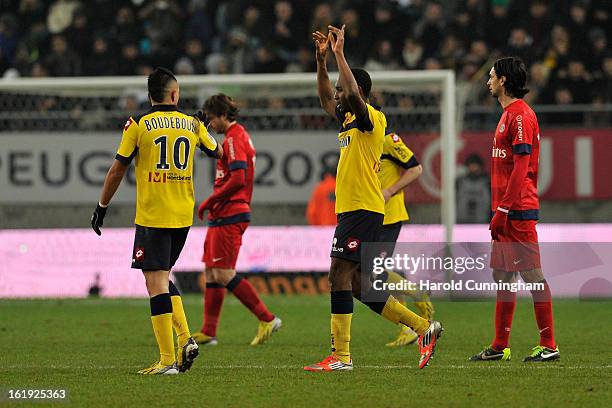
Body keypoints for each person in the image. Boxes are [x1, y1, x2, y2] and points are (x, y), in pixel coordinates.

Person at [304, 25, 442, 372]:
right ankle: (424, 328)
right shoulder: (348, 121)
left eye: (342, 90)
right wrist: (321, 62)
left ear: (359, 92)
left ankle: (341, 356)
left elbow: (348, 91)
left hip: (363, 208)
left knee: (338, 275)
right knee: (360, 286)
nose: (336, 95)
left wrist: (339, 54)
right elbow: (323, 99)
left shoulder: (372, 120)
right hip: (355, 209)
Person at [90, 67, 222, 375]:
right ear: (175, 95)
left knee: (155, 283)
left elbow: (117, 170)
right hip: (182, 215)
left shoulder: (138, 125)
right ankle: (185, 339)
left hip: (153, 214)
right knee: (161, 279)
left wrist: (102, 206)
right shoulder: (191, 123)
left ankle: (167, 360)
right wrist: (201, 127)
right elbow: (216, 151)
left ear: (150, 95)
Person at [471, 57, 559, 363]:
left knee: (532, 275)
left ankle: (549, 344)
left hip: (517, 210)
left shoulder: (520, 115)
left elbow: (523, 164)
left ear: (505, 80)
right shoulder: (507, 114)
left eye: (492, 76)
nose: (488, 81)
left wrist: (505, 209)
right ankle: (499, 345)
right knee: (502, 275)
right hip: (506, 210)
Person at [192, 94, 281, 347]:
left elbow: (239, 178)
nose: (210, 124)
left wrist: (211, 199)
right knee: (211, 271)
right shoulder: (233, 137)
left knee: (223, 272)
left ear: (222, 115)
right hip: (224, 211)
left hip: (231, 211)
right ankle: (209, 331)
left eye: (211, 119)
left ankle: (267, 318)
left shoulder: (234, 138)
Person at [376, 132, 434, 347]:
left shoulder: (388, 140)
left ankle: (416, 295)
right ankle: (407, 328)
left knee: (374, 273)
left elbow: (416, 168)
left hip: (388, 216)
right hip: (367, 214)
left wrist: (390, 190)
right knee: (368, 274)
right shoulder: (358, 141)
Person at [456, 153, 490, 224]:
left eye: (475, 165)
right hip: (462, 220)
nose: (473, 167)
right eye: (471, 165)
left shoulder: (487, 182)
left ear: (480, 166)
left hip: (482, 220)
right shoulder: (460, 181)